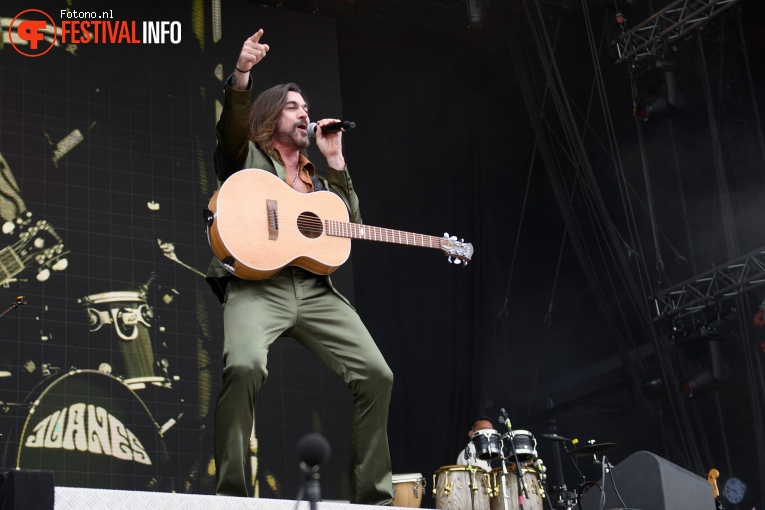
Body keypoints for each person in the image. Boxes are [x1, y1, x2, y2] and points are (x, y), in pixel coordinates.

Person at [206, 29, 394, 506]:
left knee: (377, 375)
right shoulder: (246, 156)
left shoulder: (317, 178)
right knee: (245, 366)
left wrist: (335, 161)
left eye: (306, 107)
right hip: (255, 286)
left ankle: (372, 497)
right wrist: (243, 73)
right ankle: (230, 495)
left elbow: (348, 225)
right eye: (294, 106)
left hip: (313, 289)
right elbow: (230, 128)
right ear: (272, 115)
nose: (305, 113)